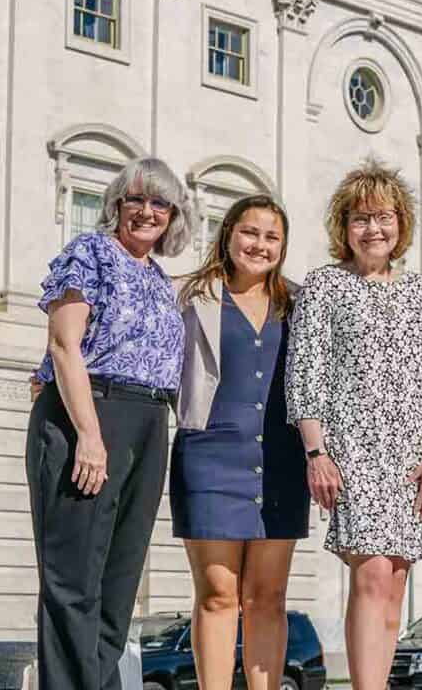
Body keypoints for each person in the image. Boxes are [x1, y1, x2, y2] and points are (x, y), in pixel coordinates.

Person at [26, 157, 194, 690]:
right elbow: (63, 344)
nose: (147, 211)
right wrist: (89, 438)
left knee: (118, 583)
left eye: (160, 203)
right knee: (73, 581)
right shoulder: (90, 253)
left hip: (149, 420)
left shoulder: (160, 279)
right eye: (136, 199)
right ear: (116, 205)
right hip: (91, 416)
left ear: (173, 216)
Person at [285, 159, 422, 690]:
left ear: (401, 223)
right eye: (360, 218)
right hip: (352, 449)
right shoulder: (324, 286)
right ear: (344, 227)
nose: (373, 229)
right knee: (372, 572)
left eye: (383, 217)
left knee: (396, 580)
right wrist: (317, 453)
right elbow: (304, 373)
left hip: (411, 454)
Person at [170, 194, 309, 690]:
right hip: (209, 458)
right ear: (228, 234)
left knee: (268, 596)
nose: (259, 244)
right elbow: (135, 343)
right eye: (250, 232)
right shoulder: (189, 296)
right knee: (217, 593)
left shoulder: (300, 303)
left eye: (272, 237)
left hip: (281, 463)